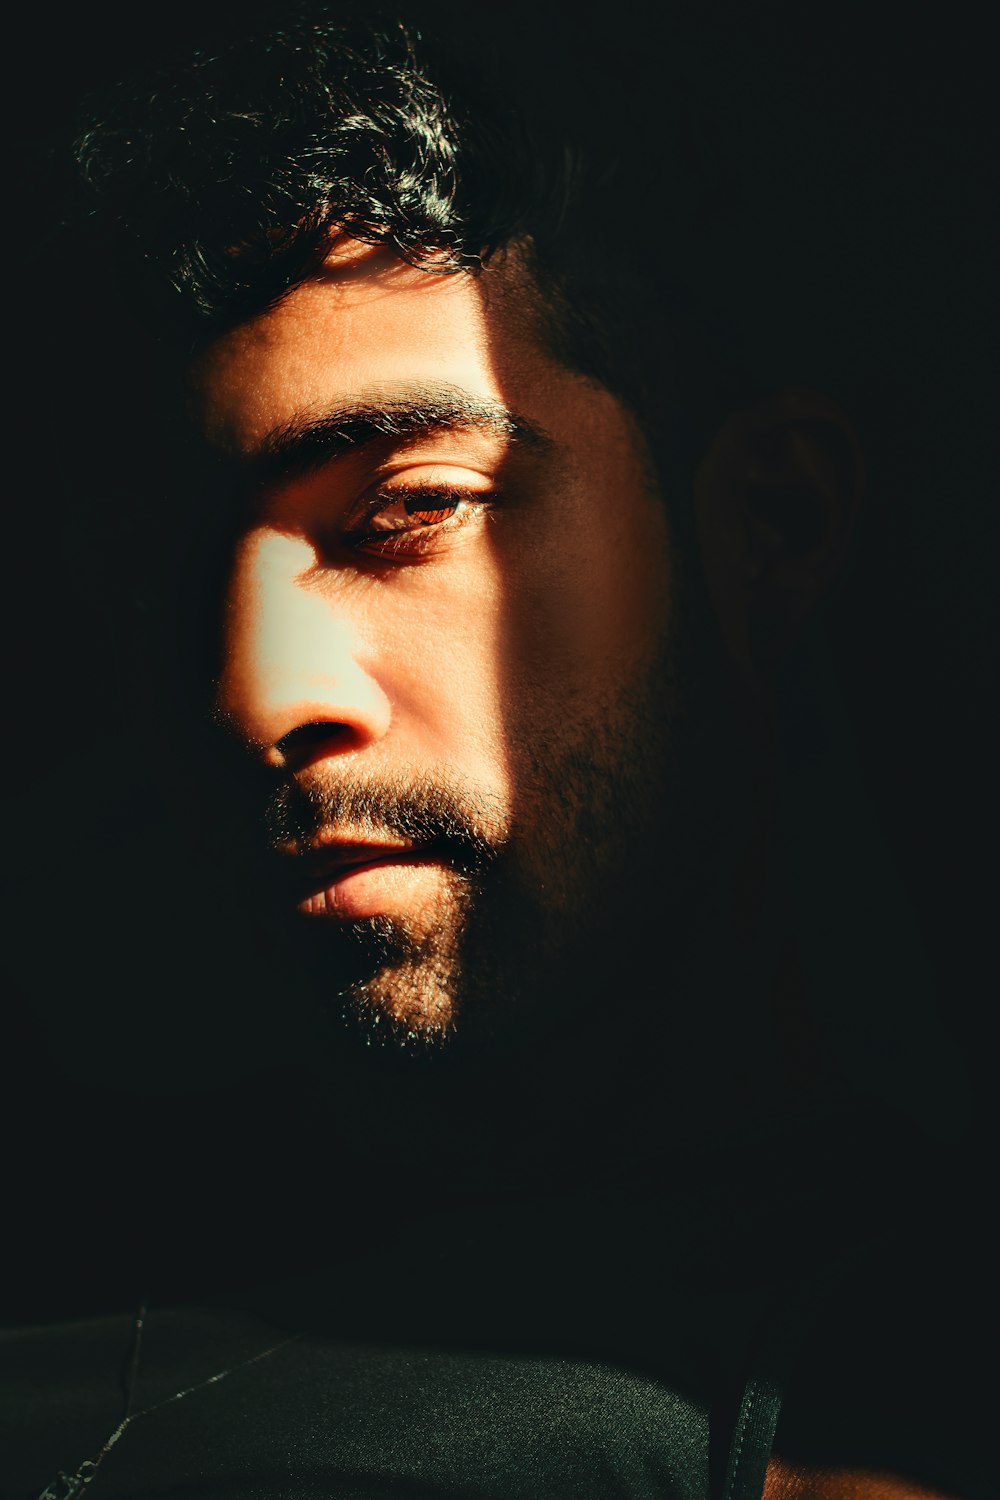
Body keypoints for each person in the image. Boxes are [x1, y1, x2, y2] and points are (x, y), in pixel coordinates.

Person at [2, 2, 994, 1496]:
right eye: (174, 569)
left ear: (767, 522)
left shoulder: (872, 1400)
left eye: (409, 509)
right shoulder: (67, 1218)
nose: (255, 691)